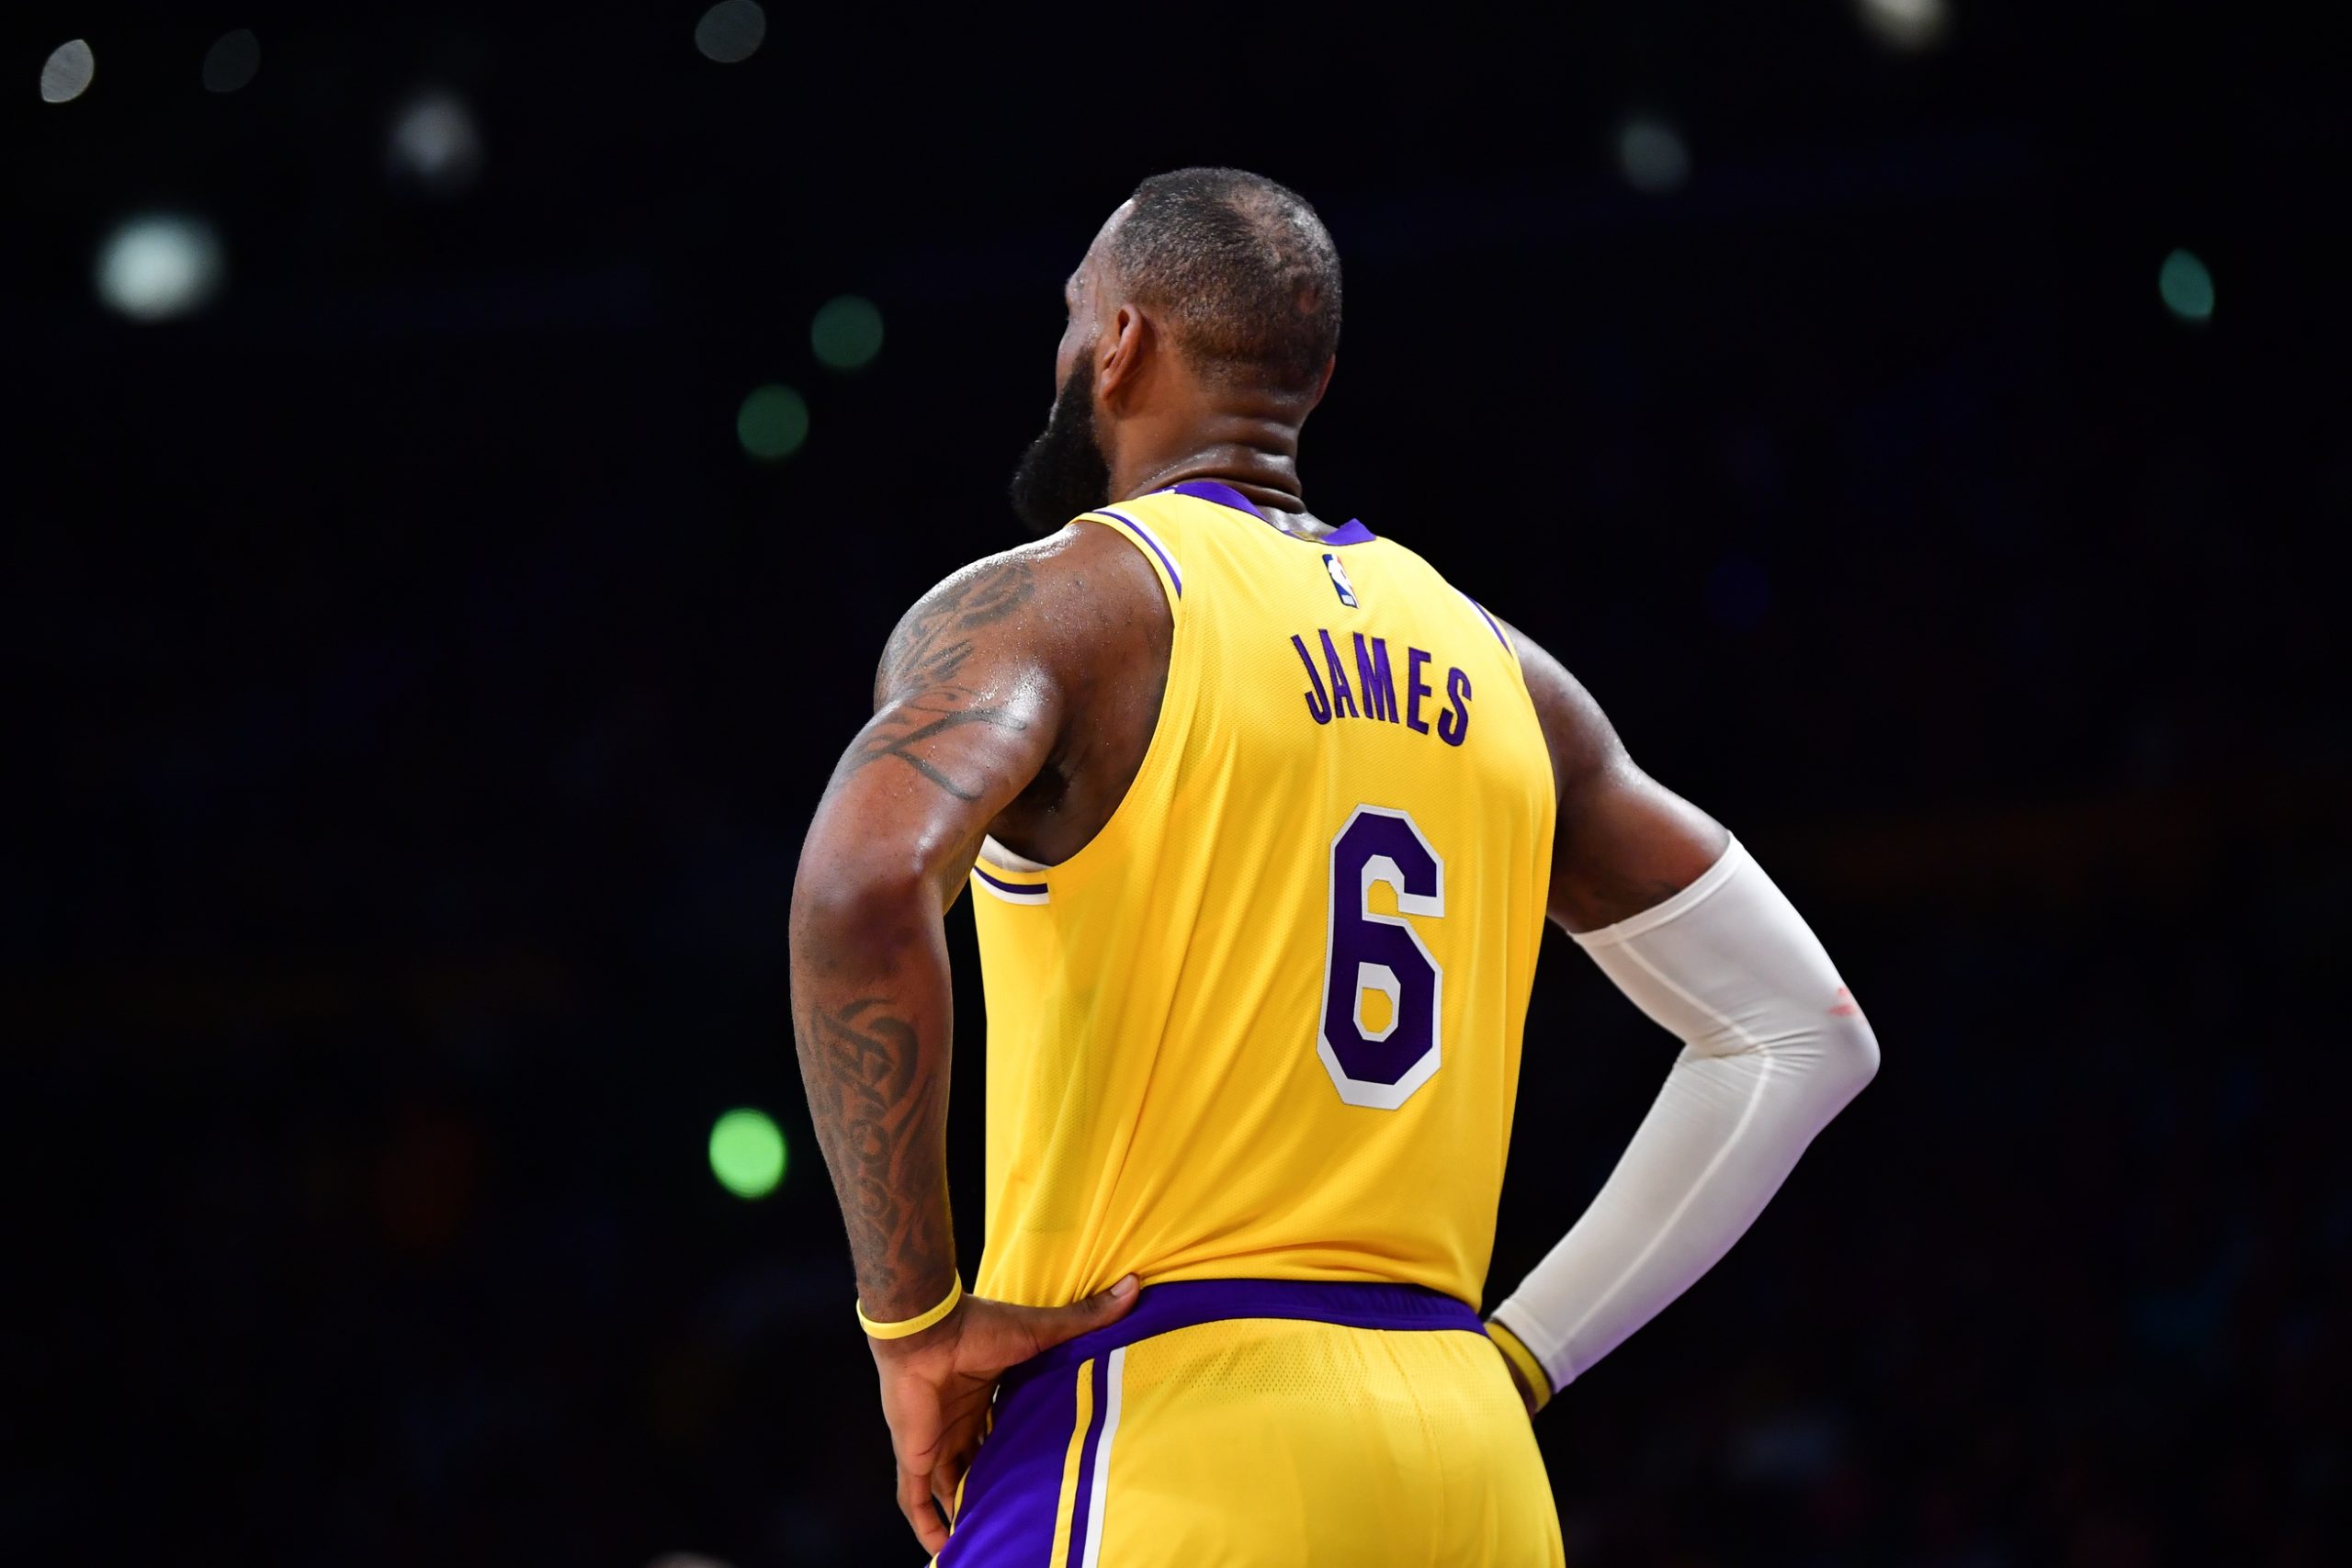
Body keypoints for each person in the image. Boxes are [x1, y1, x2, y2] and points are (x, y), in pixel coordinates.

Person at [790, 166, 1881, 1565]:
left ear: (1121, 343)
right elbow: (1807, 1033)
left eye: (1072, 319)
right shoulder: (1511, 677)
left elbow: (860, 895)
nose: (1063, 354)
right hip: (1468, 1469)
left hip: (1161, 1421)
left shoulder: (1061, 605)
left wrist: (913, 1323)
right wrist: (1523, 1357)